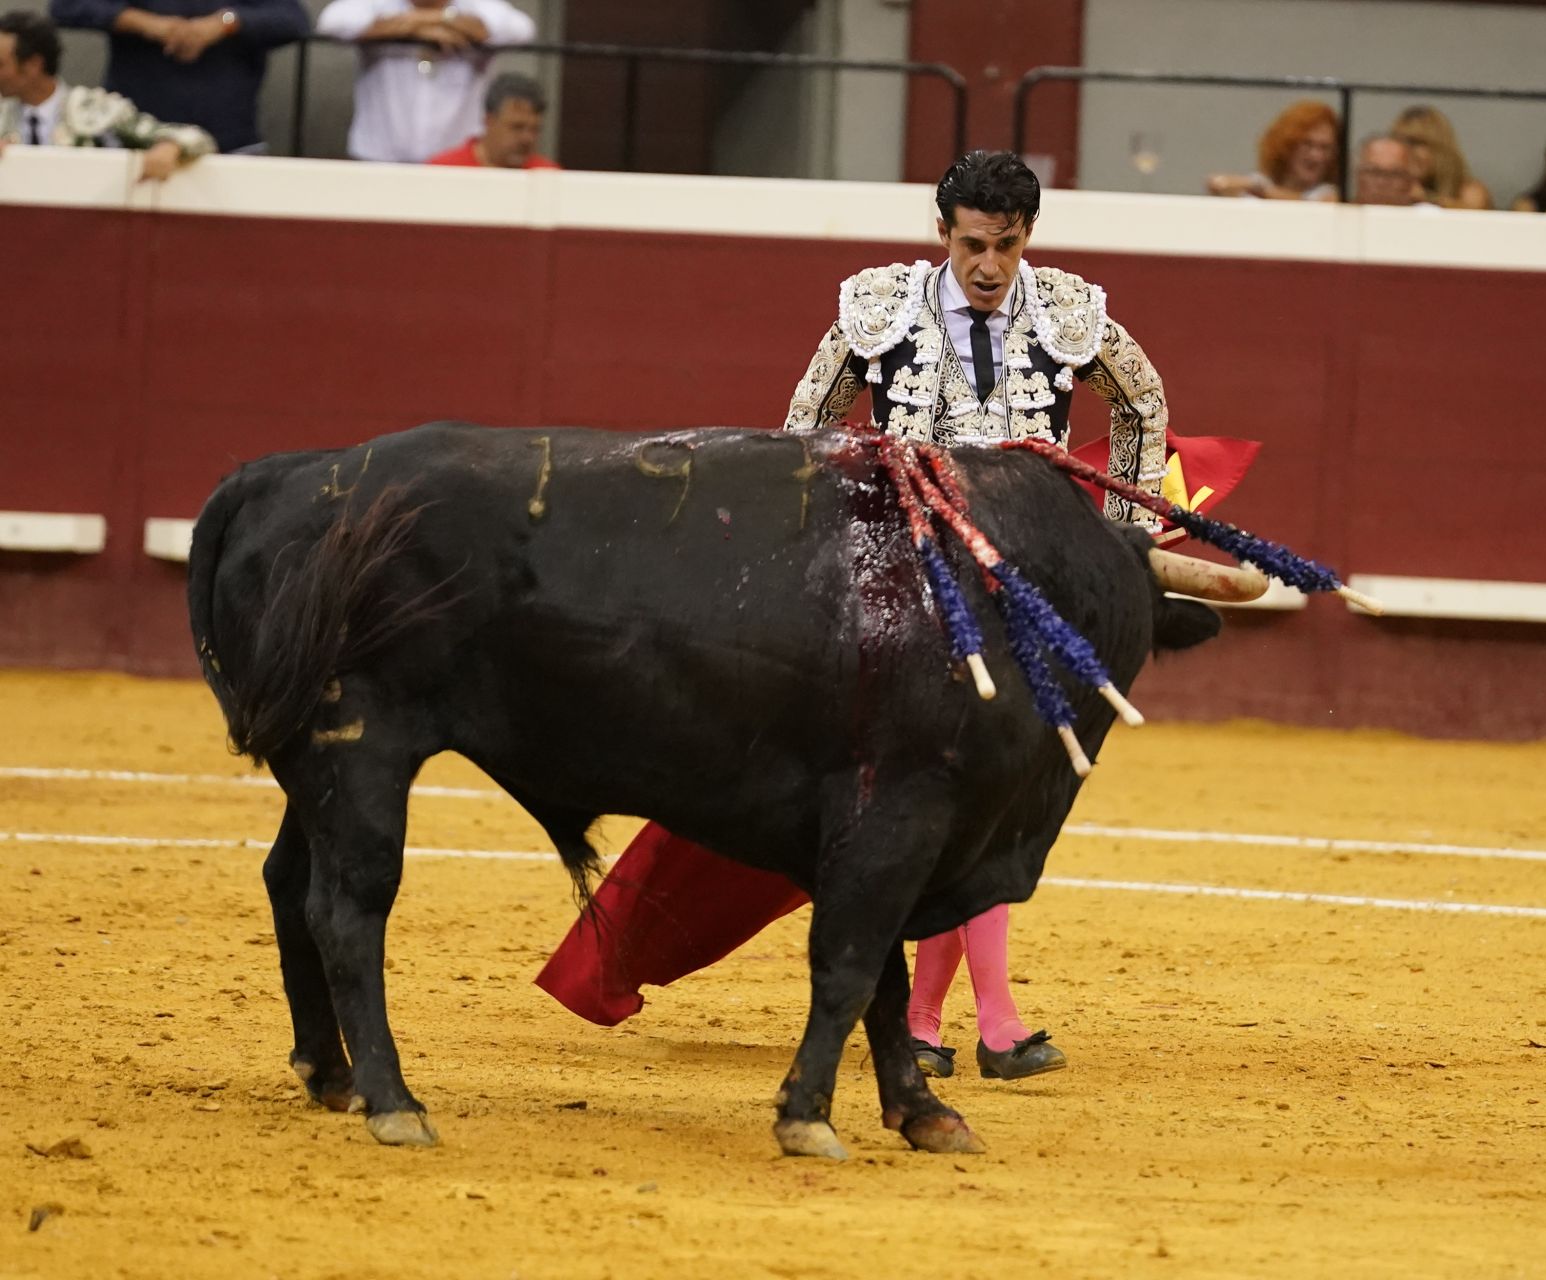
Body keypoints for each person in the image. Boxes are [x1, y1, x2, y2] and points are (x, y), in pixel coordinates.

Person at [540, 151, 1175, 1084]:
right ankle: (966, 1022)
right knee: (950, 790)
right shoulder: (881, 308)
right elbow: (806, 432)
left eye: (1005, 245)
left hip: (1016, 582)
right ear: (941, 230)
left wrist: (1119, 535)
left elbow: (1143, 404)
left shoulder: (1069, 313)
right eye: (972, 244)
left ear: (1028, 235)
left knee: (980, 789)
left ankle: (949, 1021)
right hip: (903, 587)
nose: (989, 265)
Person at [46, 0, 308, 155]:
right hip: (134, 137)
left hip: (229, 140)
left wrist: (224, 24)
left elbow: (293, 19)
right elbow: (67, 6)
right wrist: (144, 23)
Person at [314, 0, 535, 163]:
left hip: (454, 166)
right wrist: (422, 22)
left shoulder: (478, 6)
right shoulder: (378, 4)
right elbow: (331, 22)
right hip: (379, 160)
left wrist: (442, 19)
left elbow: (522, 30)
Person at [0, 9, 212, 179]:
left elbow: (194, 138)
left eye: (1, 65)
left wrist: (169, 147)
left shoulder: (94, 110)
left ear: (33, 65)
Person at [1206, 100, 1340, 201]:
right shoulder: (1261, 182)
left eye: (1325, 148)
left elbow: (1311, 206)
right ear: (1286, 145)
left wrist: (1259, 190)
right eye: (1307, 144)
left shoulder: (1328, 194)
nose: (1316, 156)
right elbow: (1218, 184)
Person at [426, 70, 556, 168]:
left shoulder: (547, 176)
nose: (527, 139)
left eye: (535, 130)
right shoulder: (444, 170)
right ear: (489, 120)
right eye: (517, 127)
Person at [1390, 104, 1491, 209]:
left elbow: (1472, 212)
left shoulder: (1470, 192)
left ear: (1440, 150)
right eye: (1399, 143)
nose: (1407, 152)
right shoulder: (1388, 190)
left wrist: (1426, 198)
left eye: (1416, 143)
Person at [1350, 133, 1432, 208]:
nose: (1382, 182)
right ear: (1357, 174)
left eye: (1394, 174)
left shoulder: (1428, 217)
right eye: (1374, 172)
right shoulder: (1343, 214)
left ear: (1411, 180)